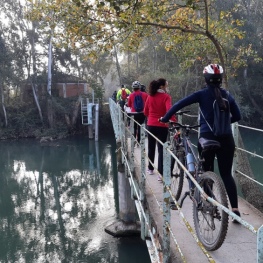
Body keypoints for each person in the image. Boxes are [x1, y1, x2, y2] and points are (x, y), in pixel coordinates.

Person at [160, 63, 241, 222]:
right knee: (226, 175)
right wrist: (223, 122)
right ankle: (236, 212)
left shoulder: (201, 94)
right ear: (220, 79)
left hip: (207, 139)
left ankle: (211, 204)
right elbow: (237, 116)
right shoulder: (228, 95)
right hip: (227, 139)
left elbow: (177, 105)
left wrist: (165, 118)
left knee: (205, 173)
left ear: (206, 78)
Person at [144, 78, 176, 181]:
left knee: (151, 146)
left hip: (150, 125)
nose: (167, 87)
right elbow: (169, 110)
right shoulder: (166, 97)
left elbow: (145, 111)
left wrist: (152, 117)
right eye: (166, 85)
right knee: (162, 149)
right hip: (162, 125)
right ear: (162, 86)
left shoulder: (150, 96)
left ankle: (150, 168)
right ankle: (161, 174)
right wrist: (173, 120)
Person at [127, 81, 148, 146]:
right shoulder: (145, 94)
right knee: (140, 127)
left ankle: (134, 141)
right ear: (139, 87)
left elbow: (129, 104)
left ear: (133, 88)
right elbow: (148, 104)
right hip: (142, 113)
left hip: (134, 113)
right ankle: (139, 142)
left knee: (134, 127)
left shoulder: (131, 95)